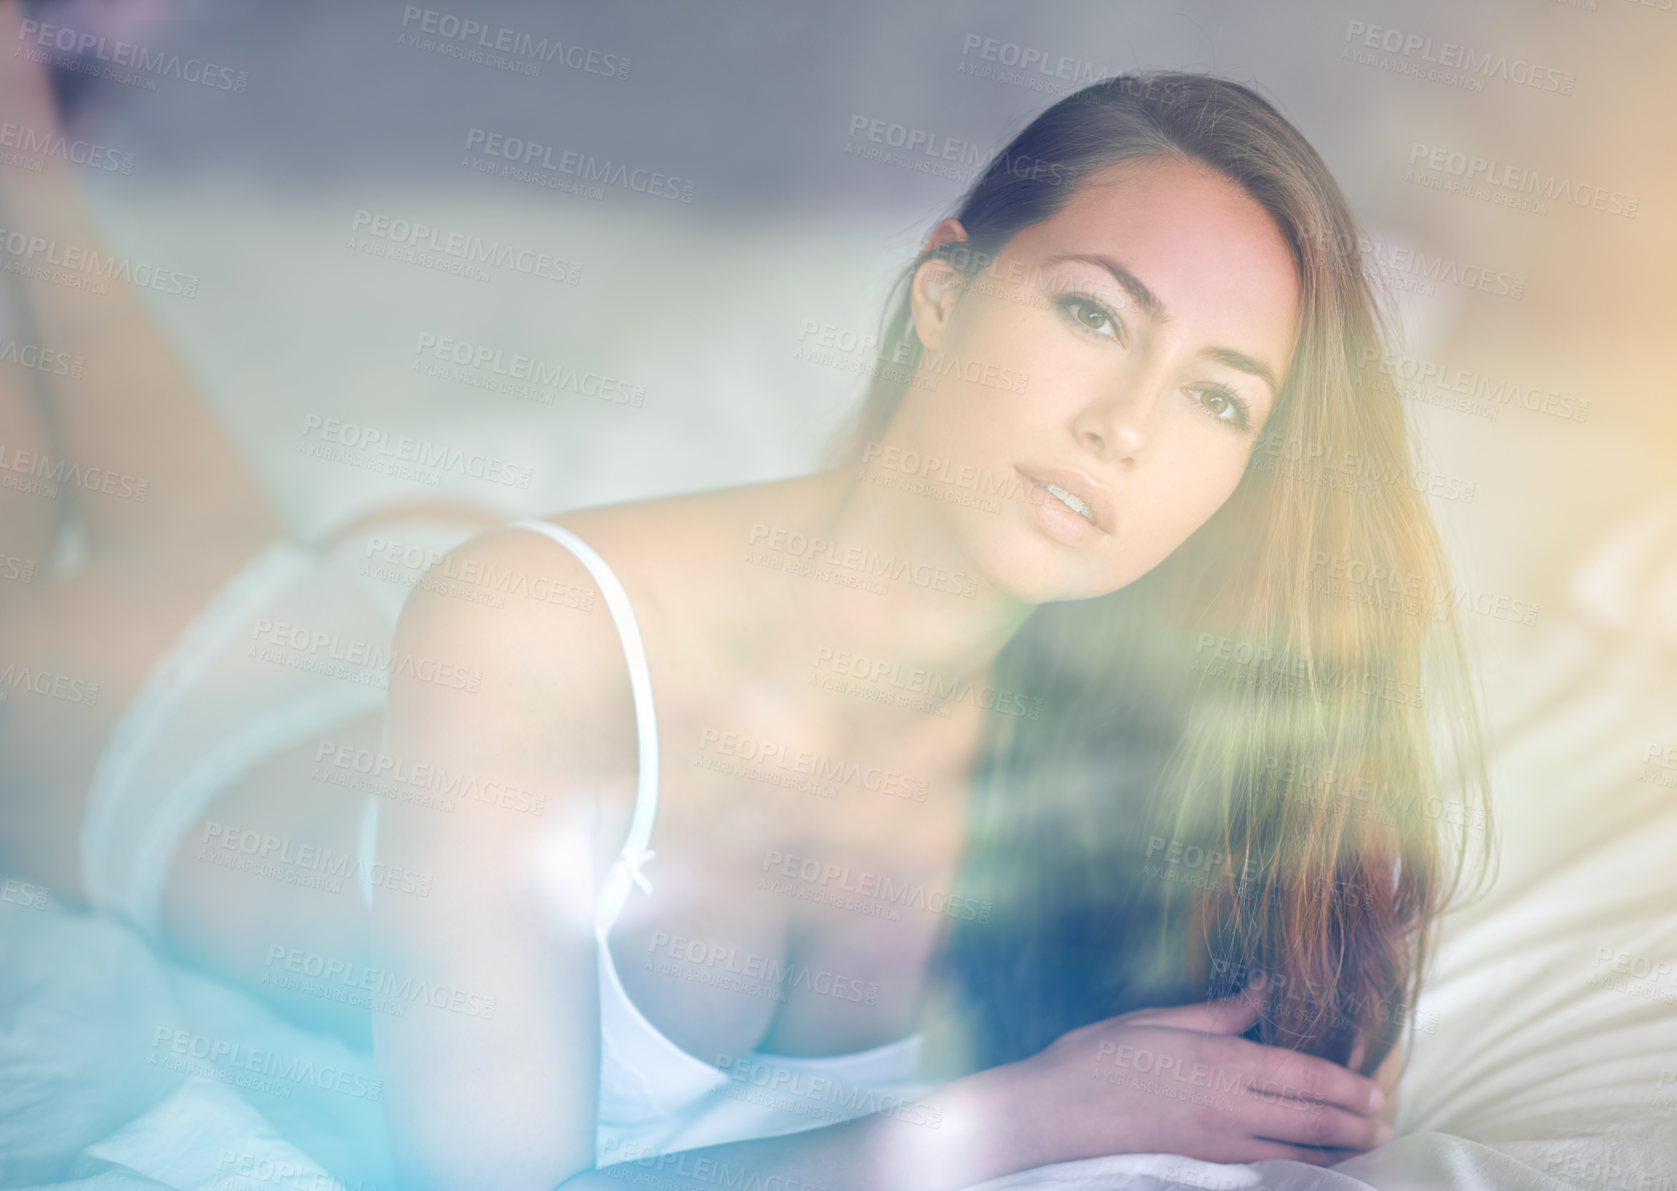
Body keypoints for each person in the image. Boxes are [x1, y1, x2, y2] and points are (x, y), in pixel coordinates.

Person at [0, 15, 1486, 1187]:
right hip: (152, 729)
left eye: (1220, 403)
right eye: (1092, 312)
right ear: (943, 294)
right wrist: (1019, 1119)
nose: (1126, 428)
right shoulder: (520, 616)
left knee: (197, 508)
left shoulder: (1147, 766)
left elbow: (1320, 1070)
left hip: (416, 673)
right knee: (109, 506)